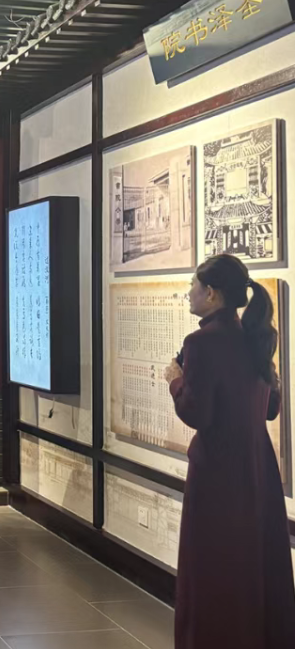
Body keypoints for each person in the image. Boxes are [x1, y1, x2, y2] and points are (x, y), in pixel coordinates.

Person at [163, 254, 295, 649]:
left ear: (212, 294)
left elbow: (197, 413)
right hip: (257, 466)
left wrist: (175, 380)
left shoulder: (200, 343)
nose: (189, 292)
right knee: (251, 560)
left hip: (216, 471)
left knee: (212, 565)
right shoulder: (254, 335)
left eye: (194, 285)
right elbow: (271, 407)